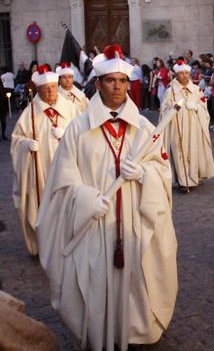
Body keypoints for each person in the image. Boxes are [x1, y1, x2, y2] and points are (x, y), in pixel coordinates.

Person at [36, 45, 178, 351]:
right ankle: (102, 333)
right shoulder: (77, 130)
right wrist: (86, 199)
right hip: (96, 226)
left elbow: (162, 172)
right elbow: (62, 182)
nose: (117, 86)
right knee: (97, 283)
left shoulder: (145, 128)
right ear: (98, 84)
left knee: (137, 282)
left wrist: (144, 176)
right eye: (110, 80)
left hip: (134, 224)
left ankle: (134, 330)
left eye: (122, 81)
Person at [11, 65, 80, 256]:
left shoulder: (71, 109)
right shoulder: (30, 113)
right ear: (38, 90)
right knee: (43, 204)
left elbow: (83, 134)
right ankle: (44, 244)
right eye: (45, 89)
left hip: (66, 168)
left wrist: (67, 134)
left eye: (52, 87)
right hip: (41, 169)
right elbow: (17, 139)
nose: (49, 92)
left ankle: (69, 241)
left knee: (67, 204)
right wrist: (25, 145)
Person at [160, 59, 214, 192]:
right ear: (177, 74)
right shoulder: (170, 91)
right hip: (176, 126)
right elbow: (163, 110)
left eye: (186, 73)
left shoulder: (196, 90)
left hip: (194, 127)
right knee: (179, 152)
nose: (184, 75)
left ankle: (193, 177)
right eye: (181, 73)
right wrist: (172, 109)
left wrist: (196, 107)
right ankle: (183, 181)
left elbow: (204, 107)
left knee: (193, 151)